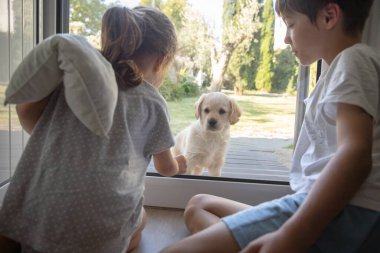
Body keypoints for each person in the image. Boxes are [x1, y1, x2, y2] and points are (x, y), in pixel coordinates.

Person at [161, 0, 380, 252]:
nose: (286, 38)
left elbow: (356, 155)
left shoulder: (353, 61)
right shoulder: (341, 67)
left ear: (329, 17)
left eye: (290, 25)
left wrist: (291, 235)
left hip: (343, 213)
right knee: (198, 205)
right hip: (321, 205)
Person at [0, 5, 186, 253]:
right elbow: (165, 167)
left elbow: (32, 121)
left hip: (38, 222)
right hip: (97, 237)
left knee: (17, 210)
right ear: (162, 60)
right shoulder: (153, 102)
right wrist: (179, 165)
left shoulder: (74, 84)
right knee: (142, 219)